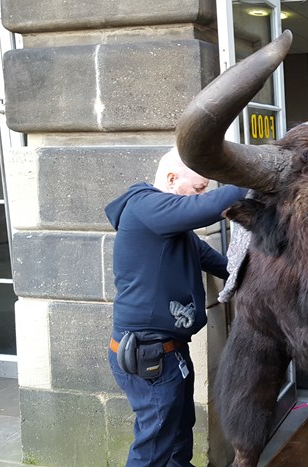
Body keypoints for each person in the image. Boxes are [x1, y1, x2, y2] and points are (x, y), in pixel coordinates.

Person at [104, 148, 246, 466]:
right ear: (172, 179)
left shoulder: (170, 227)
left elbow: (214, 261)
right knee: (153, 448)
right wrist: (254, 183)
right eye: (198, 189)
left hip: (170, 353)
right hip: (149, 356)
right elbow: (205, 209)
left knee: (180, 434)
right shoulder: (144, 206)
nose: (202, 195)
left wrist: (252, 277)